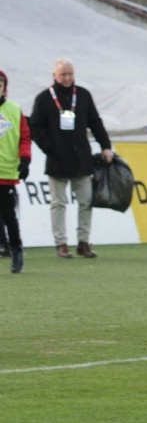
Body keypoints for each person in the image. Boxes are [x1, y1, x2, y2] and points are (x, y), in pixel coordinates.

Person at [29, 58, 114, 258]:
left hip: (81, 158)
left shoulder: (83, 95)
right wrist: (49, 148)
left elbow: (95, 122)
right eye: (63, 74)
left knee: (86, 201)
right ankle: (61, 243)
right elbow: (35, 127)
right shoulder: (44, 98)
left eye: (70, 74)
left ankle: (83, 241)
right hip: (57, 159)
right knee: (58, 203)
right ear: (54, 76)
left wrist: (106, 146)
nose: (67, 78)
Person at [0, 69, 31, 273]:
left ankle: (16, 250)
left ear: (4, 88)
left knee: (9, 215)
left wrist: (25, 159)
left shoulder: (14, 109)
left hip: (6, 173)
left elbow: (25, 138)